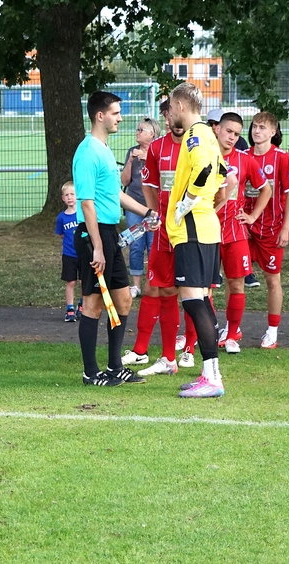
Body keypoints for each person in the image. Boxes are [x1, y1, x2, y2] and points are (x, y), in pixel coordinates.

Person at [73, 90, 153, 387]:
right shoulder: (87, 152)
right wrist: (97, 247)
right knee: (93, 304)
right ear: (100, 116)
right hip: (94, 235)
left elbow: (115, 194)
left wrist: (148, 212)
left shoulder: (105, 149)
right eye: (116, 113)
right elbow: (87, 204)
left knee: (123, 299)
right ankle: (90, 373)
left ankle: (115, 366)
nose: (120, 118)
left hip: (110, 234)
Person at [163, 83, 234, 398]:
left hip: (193, 230)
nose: (169, 114)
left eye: (170, 108)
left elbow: (206, 169)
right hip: (203, 229)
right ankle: (209, 373)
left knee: (193, 301)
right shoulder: (207, 135)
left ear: (180, 105)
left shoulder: (195, 134)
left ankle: (213, 378)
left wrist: (187, 202)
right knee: (201, 301)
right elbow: (224, 175)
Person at [121, 98, 186, 377]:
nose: (172, 119)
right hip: (163, 232)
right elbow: (148, 185)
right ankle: (146, 351)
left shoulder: (199, 144)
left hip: (191, 232)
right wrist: (155, 213)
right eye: (168, 114)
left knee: (196, 294)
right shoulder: (157, 148)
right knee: (155, 288)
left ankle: (191, 352)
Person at [214, 112, 271, 354]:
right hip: (207, 229)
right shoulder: (204, 156)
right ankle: (202, 332)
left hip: (235, 231)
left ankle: (232, 334)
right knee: (204, 287)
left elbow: (266, 189)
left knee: (236, 284)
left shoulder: (245, 160)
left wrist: (253, 216)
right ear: (217, 129)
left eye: (237, 134)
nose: (232, 137)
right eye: (229, 131)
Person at [246, 111, 289, 349]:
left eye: (262, 127)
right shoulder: (243, 156)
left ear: (273, 132)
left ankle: (272, 331)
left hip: (271, 228)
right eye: (255, 126)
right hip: (245, 227)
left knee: (272, 279)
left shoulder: (282, 158)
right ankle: (232, 329)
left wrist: (286, 228)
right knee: (235, 278)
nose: (257, 131)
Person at [121, 116, 160, 296]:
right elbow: (125, 181)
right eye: (137, 129)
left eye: (140, 130)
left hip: (153, 206)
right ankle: (136, 285)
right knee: (136, 244)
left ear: (152, 134)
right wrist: (130, 161)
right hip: (134, 204)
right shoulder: (132, 151)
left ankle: (153, 282)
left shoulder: (158, 151)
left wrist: (149, 160)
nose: (137, 132)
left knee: (153, 245)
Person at [55, 181, 80, 322]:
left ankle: (82, 305)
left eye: (72, 194)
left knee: (84, 281)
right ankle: (70, 308)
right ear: (63, 198)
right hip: (69, 255)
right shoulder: (61, 217)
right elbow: (61, 234)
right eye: (66, 195)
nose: (70, 197)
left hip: (83, 254)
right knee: (71, 282)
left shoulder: (82, 214)